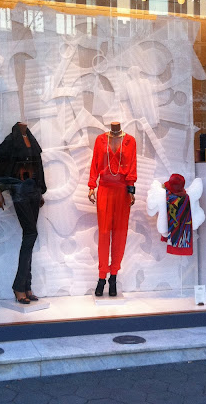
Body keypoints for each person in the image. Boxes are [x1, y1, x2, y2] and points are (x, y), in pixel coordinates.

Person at [0, 122, 46, 304]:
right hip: (19, 190)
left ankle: (26, 286)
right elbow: (1, 167)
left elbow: (39, 166)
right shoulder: (10, 142)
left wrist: (41, 191)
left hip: (34, 190)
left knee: (29, 236)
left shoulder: (32, 140)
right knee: (31, 233)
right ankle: (19, 285)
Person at [88, 121, 137, 297]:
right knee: (104, 233)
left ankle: (113, 276)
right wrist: (91, 186)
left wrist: (131, 189)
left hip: (122, 192)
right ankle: (102, 277)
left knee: (120, 234)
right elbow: (95, 163)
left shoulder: (130, 141)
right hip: (104, 190)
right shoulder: (100, 140)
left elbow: (132, 165)